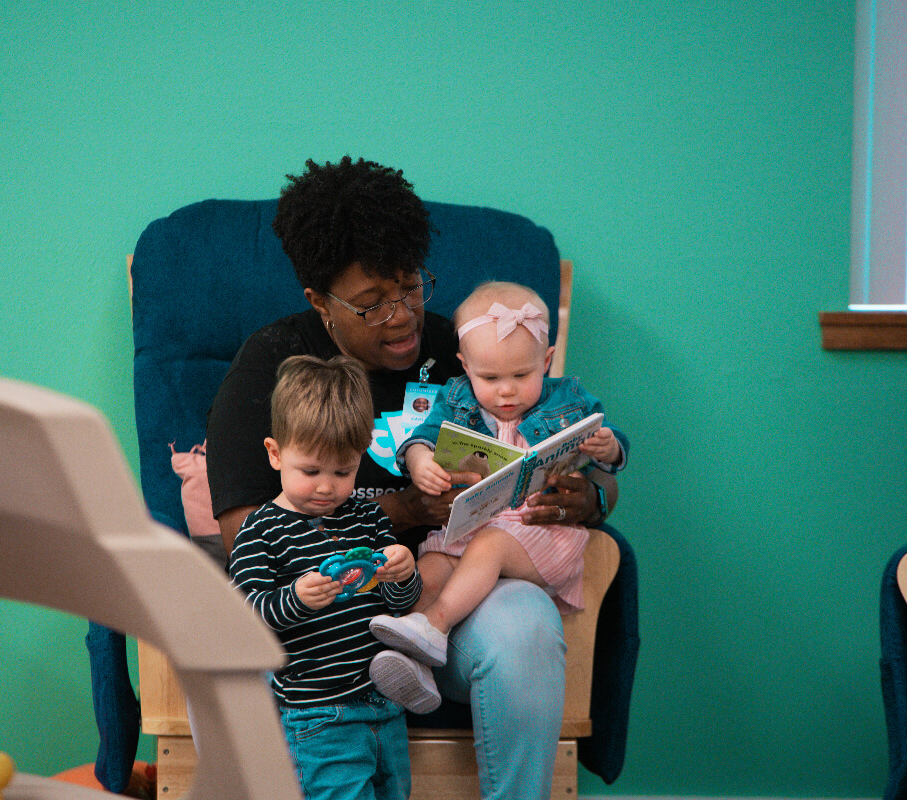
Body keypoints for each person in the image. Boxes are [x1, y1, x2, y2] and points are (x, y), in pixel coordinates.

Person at [204, 156, 621, 800]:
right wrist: (403, 512)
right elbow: (242, 535)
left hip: (438, 606)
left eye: (411, 287)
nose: (401, 316)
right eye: (371, 305)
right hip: (320, 624)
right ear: (320, 302)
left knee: (526, 622)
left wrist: (586, 497)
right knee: (226, 662)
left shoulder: (464, 351)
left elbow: (560, 443)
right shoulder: (271, 366)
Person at [369, 281, 626, 677]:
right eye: (489, 378)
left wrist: (609, 449)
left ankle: (435, 625)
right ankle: (417, 666)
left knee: (491, 544)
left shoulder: (569, 400)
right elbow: (424, 437)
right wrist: (420, 462)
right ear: (465, 366)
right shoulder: (457, 398)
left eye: (521, 375)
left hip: (540, 534)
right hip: (470, 530)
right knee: (431, 568)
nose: (506, 391)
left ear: (546, 361)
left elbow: (605, 441)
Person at [228, 354, 422, 800]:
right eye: (311, 471)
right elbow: (248, 615)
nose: (326, 487)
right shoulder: (261, 531)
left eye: (343, 472)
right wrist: (295, 597)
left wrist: (401, 573)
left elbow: (399, 605)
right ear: (275, 454)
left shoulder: (368, 518)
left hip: (384, 707)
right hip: (318, 715)